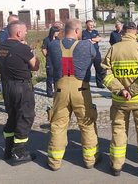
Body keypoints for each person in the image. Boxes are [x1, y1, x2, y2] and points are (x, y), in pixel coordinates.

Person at [101, 22, 138, 179]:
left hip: (120, 100)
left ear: (123, 32)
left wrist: (121, 90)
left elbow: (105, 74)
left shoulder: (113, 49)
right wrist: (132, 91)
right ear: (135, 33)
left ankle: (116, 165)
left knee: (118, 130)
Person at [46, 19, 101, 171]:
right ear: (77, 30)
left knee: (57, 125)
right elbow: (96, 59)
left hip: (60, 90)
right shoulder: (87, 45)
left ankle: (54, 161)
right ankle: (90, 159)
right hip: (81, 89)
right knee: (87, 123)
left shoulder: (53, 45)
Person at [0, 20, 40, 166]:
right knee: (25, 117)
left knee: (12, 116)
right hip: (21, 87)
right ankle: (19, 153)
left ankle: (8, 149)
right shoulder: (22, 48)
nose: (26, 33)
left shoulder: (0, 47)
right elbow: (35, 66)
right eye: (25, 30)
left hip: (7, 86)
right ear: (19, 33)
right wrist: (31, 51)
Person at [82, 20, 105, 88]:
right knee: (87, 69)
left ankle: (99, 83)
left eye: (92, 25)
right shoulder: (83, 33)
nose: (92, 26)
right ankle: (86, 83)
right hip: (88, 54)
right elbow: (86, 41)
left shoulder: (95, 31)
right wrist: (94, 39)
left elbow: (100, 38)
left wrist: (91, 39)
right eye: (90, 25)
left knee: (99, 69)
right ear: (87, 25)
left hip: (96, 53)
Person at [41, 26, 60, 97]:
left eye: (58, 31)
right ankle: (49, 92)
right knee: (50, 76)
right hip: (50, 60)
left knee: (57, 76)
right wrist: (47, 56)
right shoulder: (46, 40)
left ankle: (57, 90)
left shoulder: (58, 39)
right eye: (57, 31)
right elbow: (43, 49)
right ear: (53, 32)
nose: (58, 33)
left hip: (57, 60)